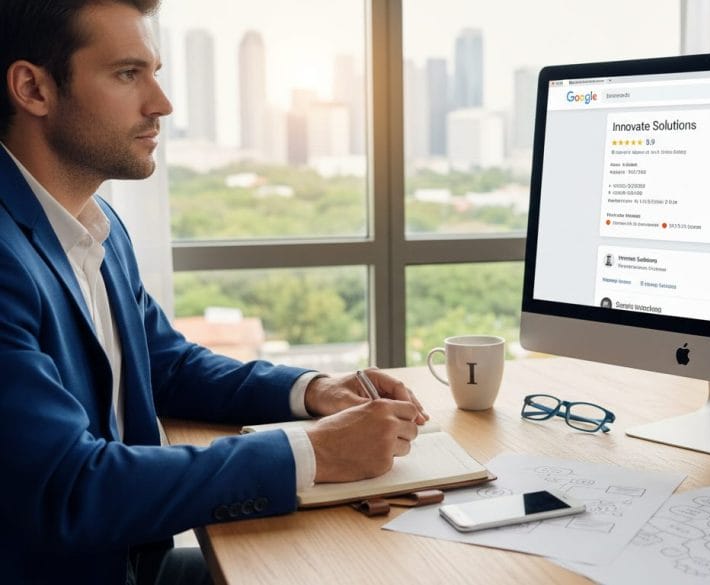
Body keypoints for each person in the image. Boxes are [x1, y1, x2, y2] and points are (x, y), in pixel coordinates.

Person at [0, 1, 428, 583]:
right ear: (33, 88)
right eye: (128, 74)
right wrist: (316, 452)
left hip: (129, 563)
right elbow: (68, 490)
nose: (162, 104)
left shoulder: (94, 223)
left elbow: (166, 366)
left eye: (156, 72)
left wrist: (314, 391)